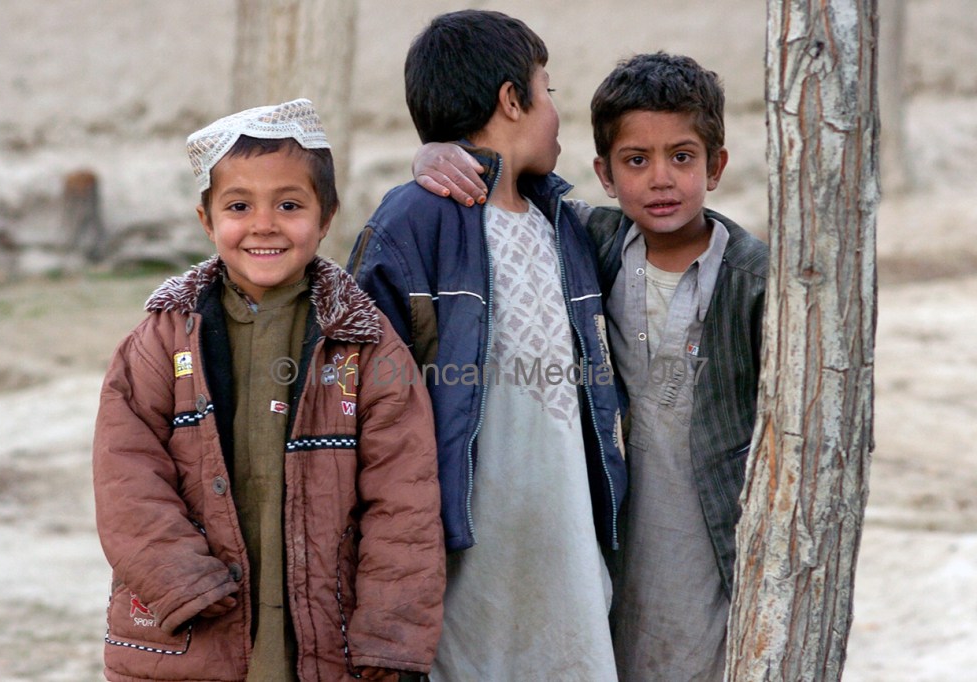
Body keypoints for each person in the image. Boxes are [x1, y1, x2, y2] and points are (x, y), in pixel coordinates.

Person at [414, 52, 768, 681]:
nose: (661, 179)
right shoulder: (589, 244)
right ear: (605, 174)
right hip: (604, 539)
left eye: (682, 157)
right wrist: (434, 155)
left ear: (715, 166)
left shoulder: (753, 280)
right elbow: (511, 191)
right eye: (636, 160)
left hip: (708, 546)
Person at [92, 99, 445, 682]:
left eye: (289, 204)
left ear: (326, 216)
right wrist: (180, 581)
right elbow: (125, 476)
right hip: (196, 630)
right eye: (239, 206)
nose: (263, 224)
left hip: (324, 640)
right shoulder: (160, 342)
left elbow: (403, 503)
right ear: (206, 220)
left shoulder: (367, 346)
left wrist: (390, 636)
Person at [346, 10, 626, 681]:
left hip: (565, 546)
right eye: (548, 90)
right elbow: (361, 395)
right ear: (511, 100)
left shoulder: (565, 225)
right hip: (466, 561)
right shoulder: (413, 221)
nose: (556, 110)